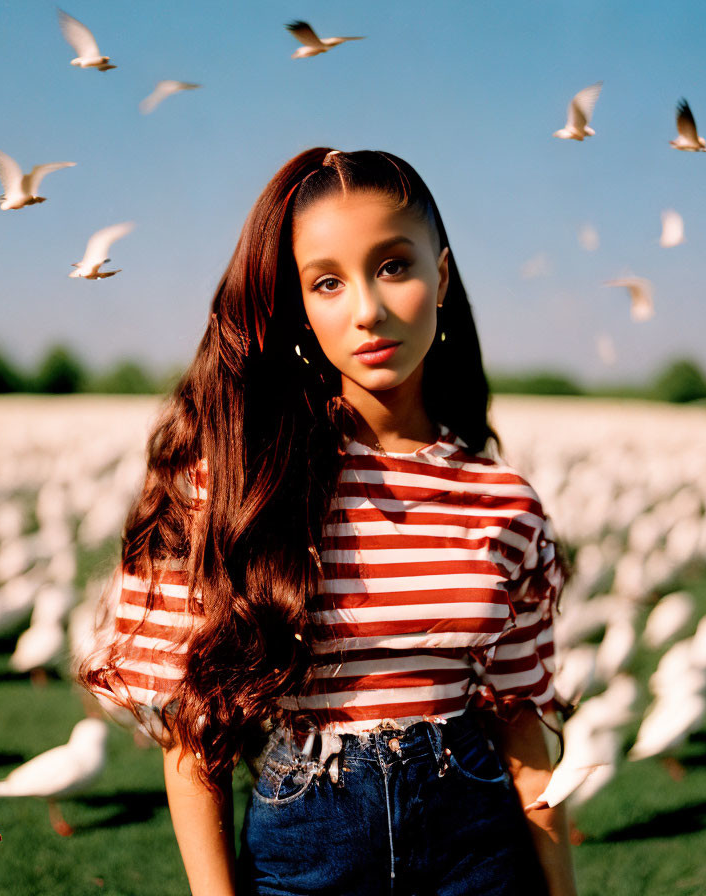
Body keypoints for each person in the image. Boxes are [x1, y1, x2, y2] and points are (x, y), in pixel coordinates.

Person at [79, 147, 576, 896]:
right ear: (300, 306)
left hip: (477, 840)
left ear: (441, 277)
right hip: (308, 841)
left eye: (394, 267)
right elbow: (193, 737)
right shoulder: (237, 485)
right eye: (328, 282)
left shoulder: (501, 499)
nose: (368, 311)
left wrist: (562, 890)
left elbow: (518, 724)